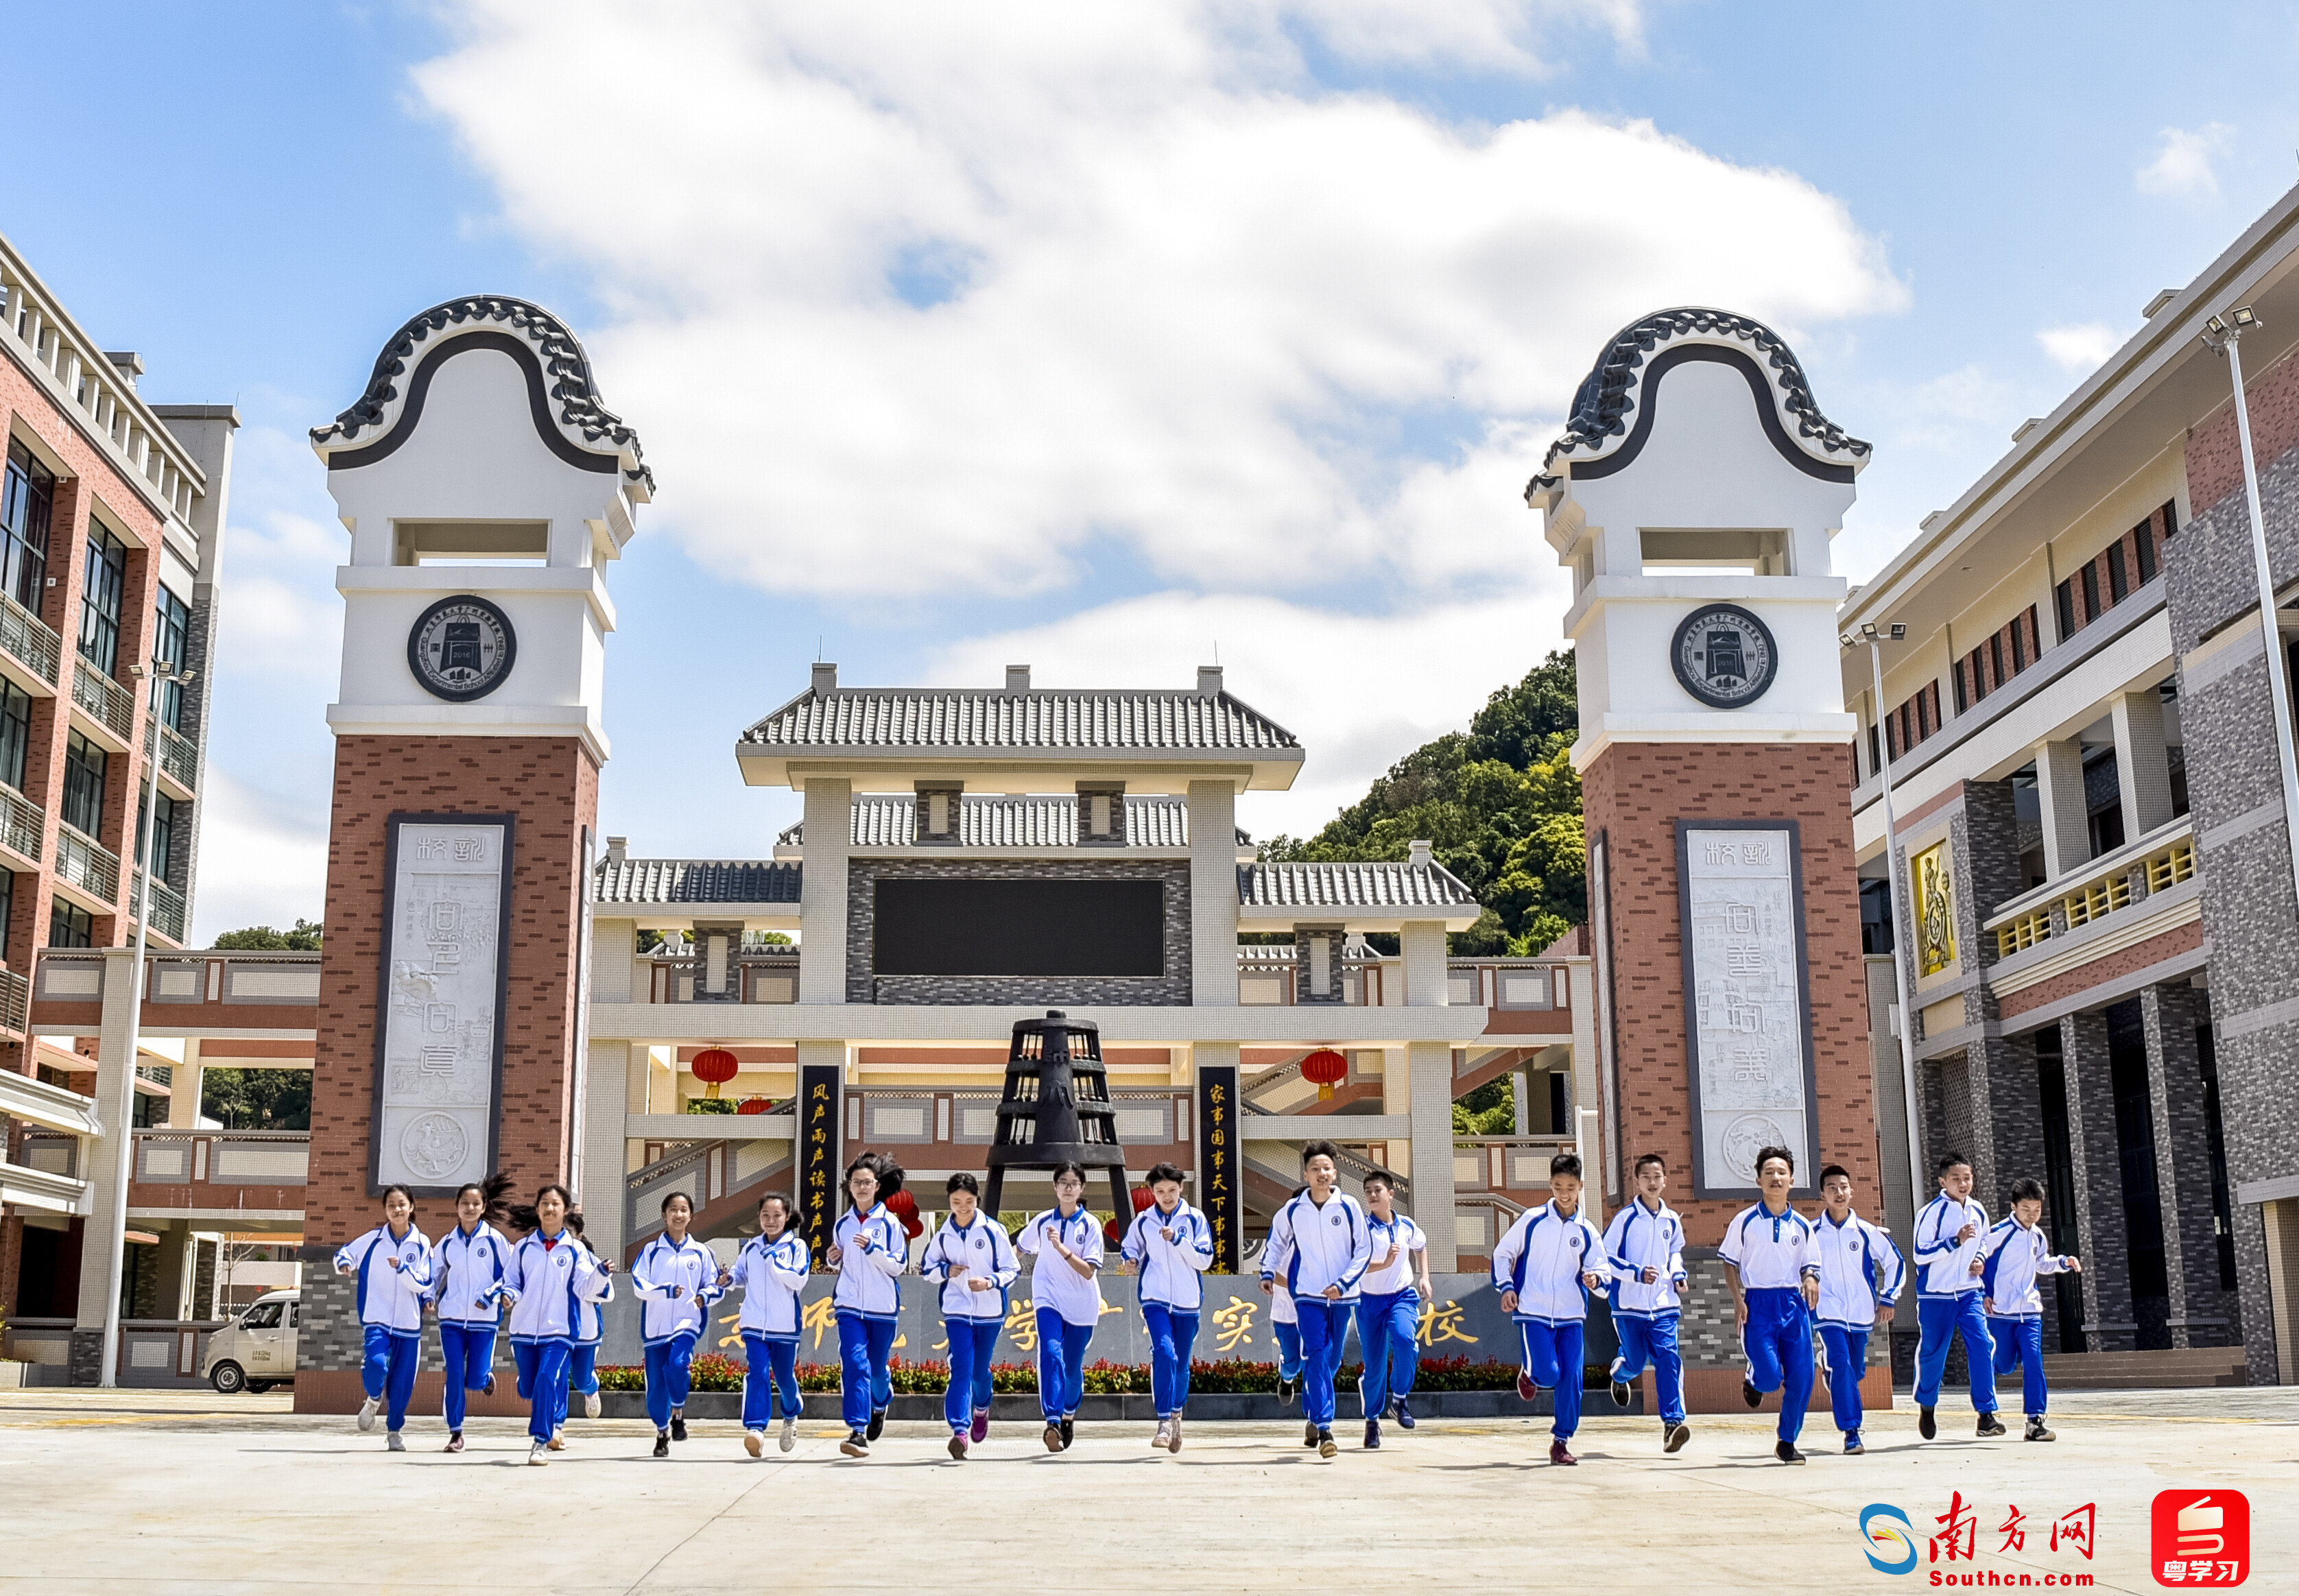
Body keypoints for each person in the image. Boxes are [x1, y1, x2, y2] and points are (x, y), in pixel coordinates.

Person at [1491, 1152, 1610, 1466]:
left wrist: (1595, 1278)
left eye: (1570, 1187)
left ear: (1580, 1186)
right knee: (1548, 1373)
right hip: (1534, 1309)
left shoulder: (1587, 1231)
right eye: (1558, 1186)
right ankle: (1530, 1372)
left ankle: (1561, 1440)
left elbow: (1603, 1271)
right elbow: (1502, 1254)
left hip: (1572, 1315)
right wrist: (1506, 1287)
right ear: (1550, 1185)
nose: (1564, 1193)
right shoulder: (1532, 1220)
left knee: (1571, 1377)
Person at [1259, 1141, 1370, 1460]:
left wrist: (1344, 1282)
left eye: (1326, 1169)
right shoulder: (1293, 1210)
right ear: (1305, 1174)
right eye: (1315, 1169)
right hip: (1307, 1295)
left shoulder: (1349, 1207)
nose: (1321, 1174)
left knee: (1332, 1361)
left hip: (1343, 1296)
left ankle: (1313, 1414)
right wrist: (1268, 1273)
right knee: (1318, 1355)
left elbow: (1363, 1251)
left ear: (1335, 1173)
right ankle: (1324, 1427)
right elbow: (1276, 1243)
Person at [1719, 1145, 1823, 1465]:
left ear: (1792, 1179)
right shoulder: (1745, 1220)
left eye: (1782, 1173)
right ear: (1759, 1180)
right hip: (1758, 1305)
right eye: (1769, 1173)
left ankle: (1787, 1441)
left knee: (1802, 1376)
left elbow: (1811, 1264)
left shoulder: (1802, 1226)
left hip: (1794, 1306)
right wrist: (1738, 1300)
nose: (1776, 1178)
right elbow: (1729, 1262)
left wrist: (1810, 1278)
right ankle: (1753, 1380)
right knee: (1768, 1375)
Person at [501, 1184, 615, 1467]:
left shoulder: (576, 1250)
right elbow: (513, 1281)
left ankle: (541, 1440)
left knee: (547, 1379)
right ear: (538, 1209)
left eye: (556, 1204)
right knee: (528, 1388)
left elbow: (585, 1287)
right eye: (545, 1204)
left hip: (561, 1332)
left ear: (565, 1210)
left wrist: (600, 1274)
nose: (550, 1209)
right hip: (524, 1331)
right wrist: (508, 1295)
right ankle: (540, 1410)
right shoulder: (524, 1248)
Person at [919, 1172, 1020, 1460]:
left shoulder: (993, 1231)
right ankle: (959, 1432)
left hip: (990, 1311)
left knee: (979, 1370)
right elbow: (928, 1269)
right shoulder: (944, 1234)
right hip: (957, 1309)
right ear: (949, 1201)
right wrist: (945, 1271)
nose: (963, 1207)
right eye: (956, 1201)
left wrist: (990, 1282)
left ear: (977, 1199)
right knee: (961, 1366)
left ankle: (981, 1409)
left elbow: (1012, 1269)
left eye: (969, 1201)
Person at [1119, 1161, 1215, 1453]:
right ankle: (1163, 1420)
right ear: (1152, 1192)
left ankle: (1176, 1414)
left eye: (1172, 1190)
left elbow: (1205, 1260)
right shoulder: (1144, 1221)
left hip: (1188, 1301)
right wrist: (1131, 1261)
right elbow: (1130, 1246)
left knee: (1181, 1362)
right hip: (1155, 1298)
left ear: (1181, 1188)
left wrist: (1178, 1240)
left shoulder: (1195, 1219)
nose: (1167, 1196)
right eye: (1160, 1191)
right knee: (1164, 1351)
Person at [1979, 1177, 2082, 1443]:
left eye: (2037, 1209)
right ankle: (1986, 1414)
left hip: (2030, 1314)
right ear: (2014, 1206)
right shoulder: (1998, 1233)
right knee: (2002, 1364)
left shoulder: (2037, 1235)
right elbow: (1975, 1262)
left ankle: (2035, 1422)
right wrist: (1982, 1294)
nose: (2032, 1215)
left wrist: (2063, 1262)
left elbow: (2041, 1264)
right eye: (2026, 1209)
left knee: (2034, 1361)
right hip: (2000, 1313)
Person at [1601, 1152, 1691, 1454]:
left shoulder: (1671, 1219)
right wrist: (1636, 1273)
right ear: (1636, 1182)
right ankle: (1619, 1373)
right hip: (1628, 1305)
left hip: (1664, 1304)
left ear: (1665, 1180)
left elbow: (1675, 1251)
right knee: (1636, 1361)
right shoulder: (1625, 1219)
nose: (1652, 1183)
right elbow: (1605, 1258)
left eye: (1657, 1177)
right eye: (1646, 1178)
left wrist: (1678, 1274)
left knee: (1668, 1359)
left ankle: (1673, 1423)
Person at [1813, 1163, 1905, 1455]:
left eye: (1843, 1187)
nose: (1838, 1193)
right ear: (1822, 1195)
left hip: (1862, 1313)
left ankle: (1828, 1371)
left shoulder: (1867, 1231)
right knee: (1841, 1363)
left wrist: (1888, 1297)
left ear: (1851, 1191)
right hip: (1826, 1312)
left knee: (1854, 1371)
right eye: (1831, 1188)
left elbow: (1895, 1262)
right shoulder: (1811, 1232)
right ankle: (1852, 1431)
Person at [332, 1184, 433, 1453]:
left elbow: (423, 1282)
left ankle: (394, 1431)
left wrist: (403, 1268)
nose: (397, 1210)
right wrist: (344, 1265)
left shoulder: (422, 1243)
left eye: (402, 1204)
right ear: (385, 1210)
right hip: (377, 1318)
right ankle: (374, 1398)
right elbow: (345, 1252)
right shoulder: (372, 1240)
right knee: (376, 1364)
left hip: (408, 1325)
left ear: (411, 1207)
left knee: (401, 1383)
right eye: (391, 1205)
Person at [1911, 1152, 2003, 1440]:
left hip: (1968, 1293)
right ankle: (1927, 1406)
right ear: (1943, 1181)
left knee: (1982, 1343)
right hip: (1935, 1296)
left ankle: (1986, 1415)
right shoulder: (1930, 1212)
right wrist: (1955, 1241)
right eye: (1956, 1179)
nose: (1963, 1184)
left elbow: (1985, 1243)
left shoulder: (1978, 1210)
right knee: (1933, 1355)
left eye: (1967, 1178)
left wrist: (1979, 1258)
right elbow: (1919, 1253)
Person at [1016, 1161, 1106, 1453]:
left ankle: (1068, 1415)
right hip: (1048, 1297)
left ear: (1082, 1188)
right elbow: (1019, 1248)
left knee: (1071, 1366)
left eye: (1074, 1183)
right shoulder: (1043, 1221)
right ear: (1054, 1187)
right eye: (1063, 1183)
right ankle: (1052, 1420)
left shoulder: (1090, 1225)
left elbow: (1089, 1271)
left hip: (1081, 1303)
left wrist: (1061, 1248)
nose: (1068, 1188)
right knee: (1051, 1353)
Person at [826, 1153, 909, 1458]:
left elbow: (899, 1265)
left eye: (867, 1182)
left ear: (877, 1186)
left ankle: (881, 1400)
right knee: (854, 1364)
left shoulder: (890, 1224)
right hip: (849, 1306)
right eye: (856, 1183)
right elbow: (842, 1262)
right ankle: (858, 1430)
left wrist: (874, 1249)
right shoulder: (843, 1225)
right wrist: (833, 1261)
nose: (861, 1187)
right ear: (849, 1187)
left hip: (882, 1307)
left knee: (875, 1370)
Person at [632, 1191, 726, 1460]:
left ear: (690, 1215)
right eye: (673, 1209)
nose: (678, 1214)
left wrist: (704, 1296)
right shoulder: (651, 1251)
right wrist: (665, 1291)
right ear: (665, 1215)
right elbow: (640, 1285)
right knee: (655, 1388)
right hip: (655, 1327)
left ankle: (678, 1411)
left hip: (687, 1322)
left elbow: (715, 1285)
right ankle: (663, 1432)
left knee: (678, 1365)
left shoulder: (701, 1252)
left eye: (683, 1209)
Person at [425, 1172, 512, 1453]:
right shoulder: (448, 1243)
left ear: (484, 1207)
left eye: (476, 1204)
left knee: (473, 1379)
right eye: (465, 1203)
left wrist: (491, 1295)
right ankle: (456, 1432)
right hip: (451, 1320)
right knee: (454, 1373)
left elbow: (512, 1276)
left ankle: (485, 1379)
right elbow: (434, 1273)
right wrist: (429, 1296)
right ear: (457, 1206)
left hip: (484, 1321)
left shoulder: (495, 1241)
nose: (470, 1208)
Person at [727, 1191, 811, 1457]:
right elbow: (739, 1274)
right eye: (766, 1215)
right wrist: (726, 1280)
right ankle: (756, 1429)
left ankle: (791, 1412)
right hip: (753, 1325)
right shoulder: (751, 1248)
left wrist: (775, 1260)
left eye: (777, 1215)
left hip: (785, 1326)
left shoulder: (796, 1248)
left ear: (787, 1217)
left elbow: (798, 1280)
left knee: (785, 1378)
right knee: (758, 1371)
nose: (771, 1220)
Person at [1355, 1167, 1430, 1451]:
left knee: (1405, 1340)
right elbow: (1356, 1264)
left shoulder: (1406, 1225)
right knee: (1374, 1367)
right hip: (1369, 1302)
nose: (1373, 1196)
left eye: (1378, 1191)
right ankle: (1372, 1421)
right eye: (1369, 1192)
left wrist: (1424, 1277)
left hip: (1401, 1297)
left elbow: (1421, 1246)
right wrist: (1383, 1264)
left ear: (1391, 1194)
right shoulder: (1361, 1229)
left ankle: (1399, 1400)